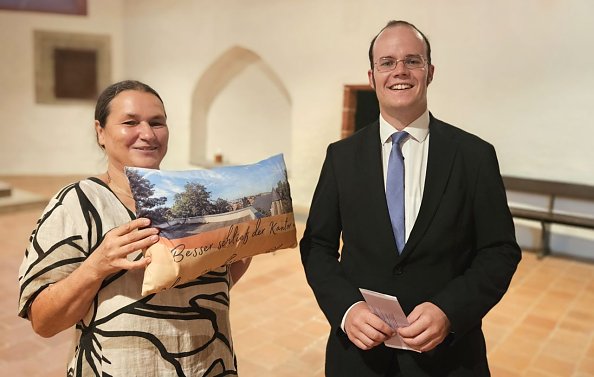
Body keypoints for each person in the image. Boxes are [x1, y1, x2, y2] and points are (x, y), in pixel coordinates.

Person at [300, 20, 521, 376]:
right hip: (359, 357)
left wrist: (450, 310)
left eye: (412, 60)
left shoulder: (473, 156)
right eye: (386, 62)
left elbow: (500, 251)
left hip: (447, 358)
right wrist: (346, 309)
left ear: (430, 72)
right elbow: (317, 245)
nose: (399, 71)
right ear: (372, 77)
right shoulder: (341, 156)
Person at [18, 80, 251, 376]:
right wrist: (96, 266)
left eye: (157, 123)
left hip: (209, 364)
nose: (147, 134)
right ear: (100, 132)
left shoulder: (194, 196)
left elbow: (209, 288)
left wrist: (240, 250)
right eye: (130, 122)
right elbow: (44, 321)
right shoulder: (78, 203)